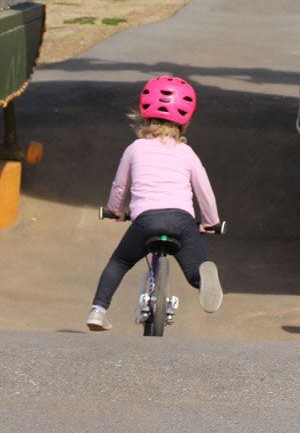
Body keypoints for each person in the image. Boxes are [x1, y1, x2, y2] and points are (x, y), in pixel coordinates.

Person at [87, 76, 223, 331]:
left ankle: (98, 310)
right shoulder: (187, 153)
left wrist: (116, 210)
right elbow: (205, 191)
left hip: (146, 219)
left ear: (144, 115)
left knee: (120, 261)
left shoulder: (135, 148)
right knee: (195, 267)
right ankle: (202, 281)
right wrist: (210, 222)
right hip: (182, 220)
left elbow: (120, 185)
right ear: (185, 121)